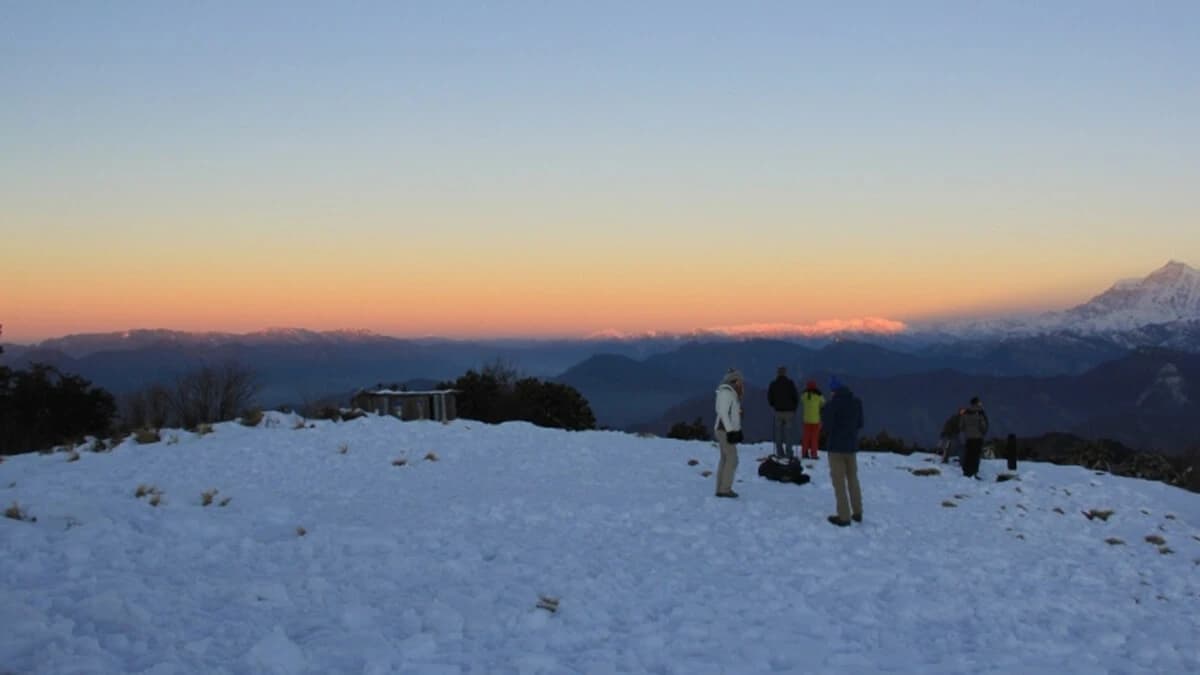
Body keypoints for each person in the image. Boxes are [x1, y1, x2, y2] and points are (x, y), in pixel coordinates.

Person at [822, 376, 864, 526]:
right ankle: (857, 512)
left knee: (839, 482)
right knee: (853, 479)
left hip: (836, 448)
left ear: (833, 390)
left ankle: (844, 516)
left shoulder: (831, 405)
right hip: (851, 447)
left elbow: (827, 426)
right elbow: (860, 423)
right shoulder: (856, 403)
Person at [713, 368, 745, 498]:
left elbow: (728, 412)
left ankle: (720, 488)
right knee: (732, 459)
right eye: (740, 381)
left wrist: (737, 428)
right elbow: (723, 413)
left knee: (725, 459)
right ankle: (725, 489)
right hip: (724, 431)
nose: (741, 384)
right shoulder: (727, 393)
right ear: (735, 380)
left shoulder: (728, 392)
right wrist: (731, 431)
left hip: (723, 430)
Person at [767, 366, 799, 460]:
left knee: (778, 433)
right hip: (789, 412)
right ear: (785, 373)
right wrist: (794, 408)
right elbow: (795, 397)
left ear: (777, 373)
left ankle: (780, 453)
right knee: (789, 433)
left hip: (778, 411)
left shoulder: (773, 384)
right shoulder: (790, 383)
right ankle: (789, 453)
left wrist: (774, 405)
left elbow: (770, 397)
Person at [959, 396, 989, 478]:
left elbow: (961, 426)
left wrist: (967, 431)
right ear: (977, 403)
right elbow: (983, 426)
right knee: (976, 456)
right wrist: (982, 433)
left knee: (968, 455)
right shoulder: (980, 413)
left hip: (968, 438)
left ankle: (966, 472)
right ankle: (974, 472)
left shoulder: (965, 413)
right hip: (978, 438)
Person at [800, 380, 824, 459]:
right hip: (816, 420)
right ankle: (814, 454)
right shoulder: (818, 396)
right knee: (814, 438)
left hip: (806, 420)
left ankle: (804, 453)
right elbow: (823, 403)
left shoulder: (804, 395)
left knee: (806, 437)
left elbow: (801, 400)